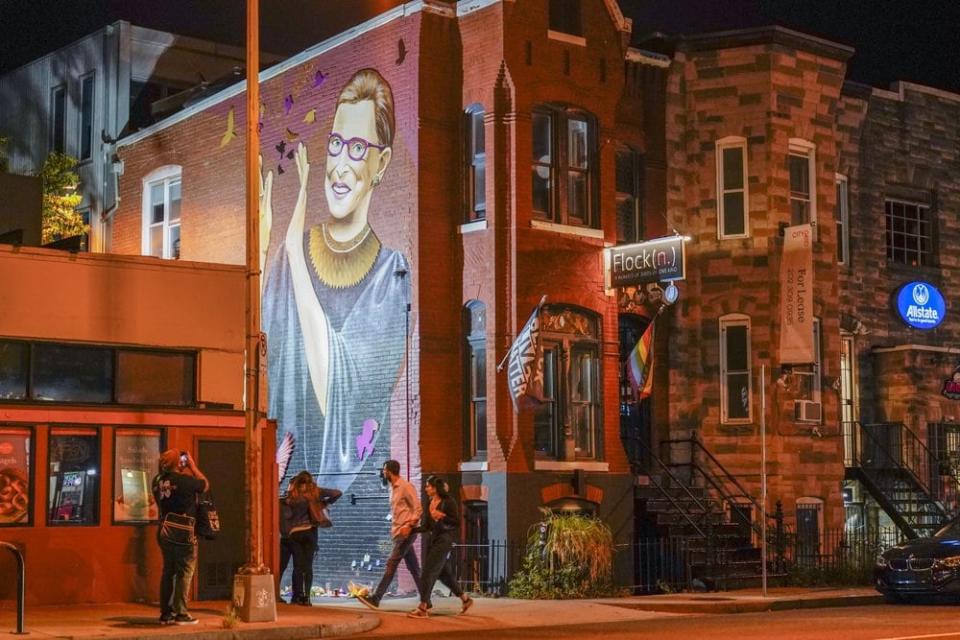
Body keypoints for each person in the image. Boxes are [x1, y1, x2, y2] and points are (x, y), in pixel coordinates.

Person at [261, 68, 410, 496]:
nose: (340, 165)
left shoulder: (391, 277)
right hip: (284, 501)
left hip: (349, 515)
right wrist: (263, 247)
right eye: (336, 144)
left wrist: (289, 247)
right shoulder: (288, 259)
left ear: (382, 163)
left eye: (359, 147)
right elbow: (258, 367)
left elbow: (340, 400)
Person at [152, 448, 208, 625]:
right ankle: (181, 613)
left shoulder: (157, 481)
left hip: (164, 530)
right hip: (183, 530)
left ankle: (165, 613)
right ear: (179, 463)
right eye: (182, 460)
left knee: (168, 571)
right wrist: (193, 466)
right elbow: (204, 485)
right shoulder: (186, 481)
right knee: (185, 571)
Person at [356, 460, 421, 609]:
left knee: (391, 564)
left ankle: (376, 598)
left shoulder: (405, 486)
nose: (382, 473)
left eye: (384, 470)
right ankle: (426, 600)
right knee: (415, 569)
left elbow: (418, 509)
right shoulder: (392, 488)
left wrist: (409, 525)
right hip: (398, 533)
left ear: (390, 471)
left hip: (406, 533)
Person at [408, 476, 473, 619]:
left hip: (444, 540)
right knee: (444, 575)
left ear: (435, 487)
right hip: (434, 540)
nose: (426, 489)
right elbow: (426, 526)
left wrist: (442, 516)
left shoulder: (448, 502)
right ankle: (465, 599)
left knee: (427, 572)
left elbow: (456, 522)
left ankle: (423, 607)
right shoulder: (429, 502)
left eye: (428, 486)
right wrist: (411, 530)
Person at [281, 471, 342, 605]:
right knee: (308, 567)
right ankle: (307, 598)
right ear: (310, 481)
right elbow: (337, 493)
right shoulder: (315, 492)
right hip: (309, 532)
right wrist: (323, 503)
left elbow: (284, 510)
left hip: (294, 534)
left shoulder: (292, 494)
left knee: (297, 567)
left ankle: (297, 597)